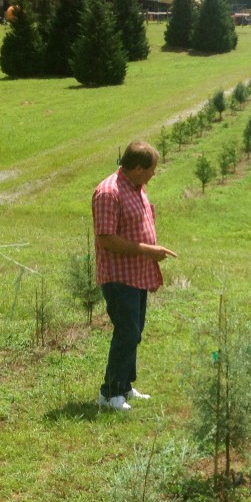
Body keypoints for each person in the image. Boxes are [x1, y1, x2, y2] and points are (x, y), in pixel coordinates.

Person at [92, 141, 177, 411]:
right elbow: (106, 239)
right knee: (127, 332)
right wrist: (147, 249)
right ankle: (110, 393)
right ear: (138, 168)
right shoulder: (109, 193)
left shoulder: (137, 188)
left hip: (137, 275)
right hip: (119, 277)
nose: (154, 173)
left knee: (134, 332)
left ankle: (124, 386)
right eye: (152, 169)